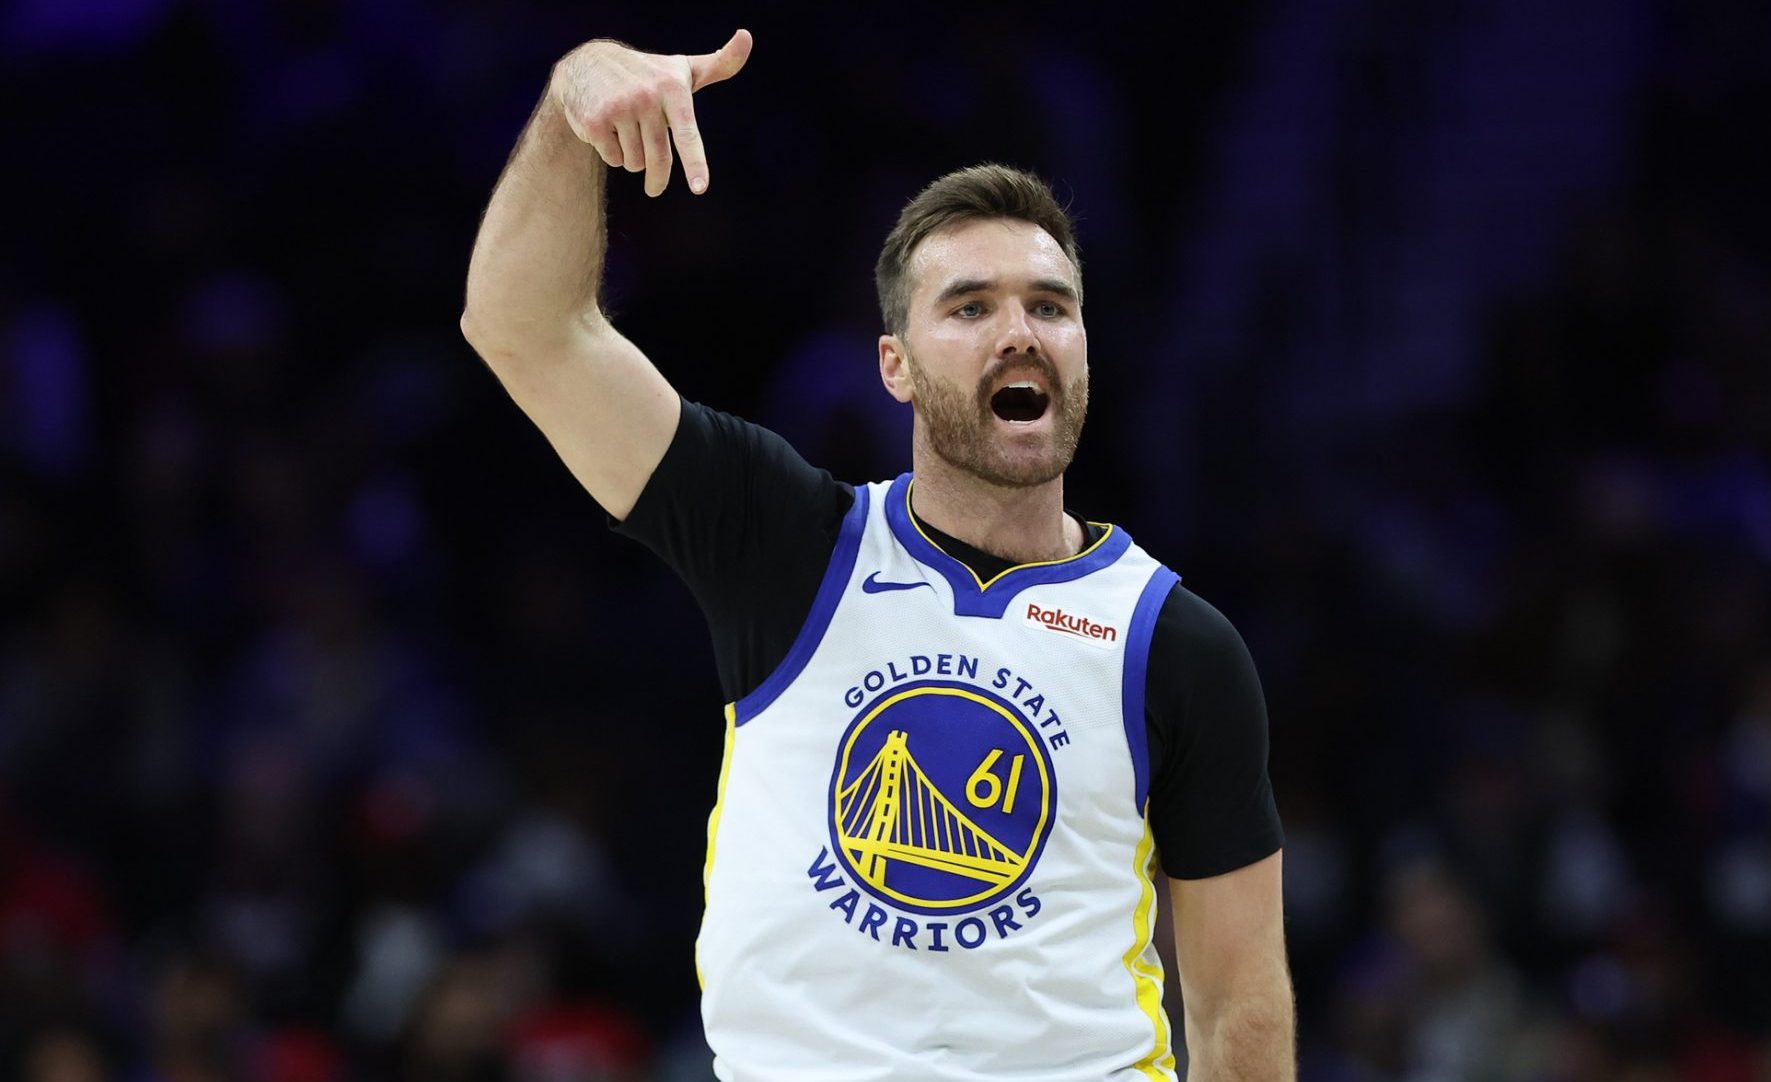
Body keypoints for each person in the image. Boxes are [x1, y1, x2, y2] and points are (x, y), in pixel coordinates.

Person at [459, 29, 1295, 1082]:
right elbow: (523, 325)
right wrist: (575, 96)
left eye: (1050, 305)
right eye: (971, 306)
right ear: (892, 365)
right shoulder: (786, 541)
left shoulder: (1179, 644)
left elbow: (1239, 1010)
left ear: (1086, 351)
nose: (1020, 332)